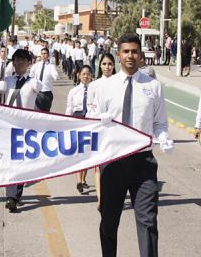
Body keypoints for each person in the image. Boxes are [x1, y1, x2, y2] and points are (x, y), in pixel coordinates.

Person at [96, 33, 173, 257]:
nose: (130, 55)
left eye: (135, 51)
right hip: (113, 161)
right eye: (126, 51)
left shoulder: (154, 86)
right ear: (119, 55)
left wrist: (163, 137)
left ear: (141, 55)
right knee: (109, 221)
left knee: (148, 221)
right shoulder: (104, 87)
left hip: (143, 163)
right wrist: (101, 122)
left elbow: (160, 122)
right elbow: (94, 122)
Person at [0, 48, 42, 212]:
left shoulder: (33, 82)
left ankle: (16, 193)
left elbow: (46, 94)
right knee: (10, 162)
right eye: (16, 60)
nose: (19, 63)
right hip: (8, 128)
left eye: (23, 60)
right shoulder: (8, 81)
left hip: (25, 129)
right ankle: (11, 197)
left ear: (29, 63)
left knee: (21, 163)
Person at [86, 53, 117, 210]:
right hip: (99, 127)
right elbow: (90, 108)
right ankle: (100, 199)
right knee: (98, 165)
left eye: (110, 64)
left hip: (115, 128)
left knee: (113, 165)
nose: (107, 67)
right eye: (104, 64)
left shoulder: (120, 83)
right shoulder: (93, 85)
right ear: (100, 66)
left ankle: (111, 194)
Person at [66, 64, 92, 193]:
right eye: (84, 74)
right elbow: (69, 109)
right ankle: (78, 181)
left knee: (86, 152)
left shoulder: (94, 90)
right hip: (77, 120)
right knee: (78, 152)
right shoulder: (73, 91)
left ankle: (83, 179)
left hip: (90, 121)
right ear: (79, 75)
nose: (86, 76)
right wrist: (67, 123)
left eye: (88, 74)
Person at [30, 47, 59, 112]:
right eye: (42, 53)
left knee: (46, 113)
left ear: (48, 55)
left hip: (47, 93)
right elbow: (31, 76)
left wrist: (55, 76)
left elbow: (54, 74)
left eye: (45, 53)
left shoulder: (51, 66)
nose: (43, 55)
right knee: (37, 112)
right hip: (37, 93)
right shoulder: (36, 65)